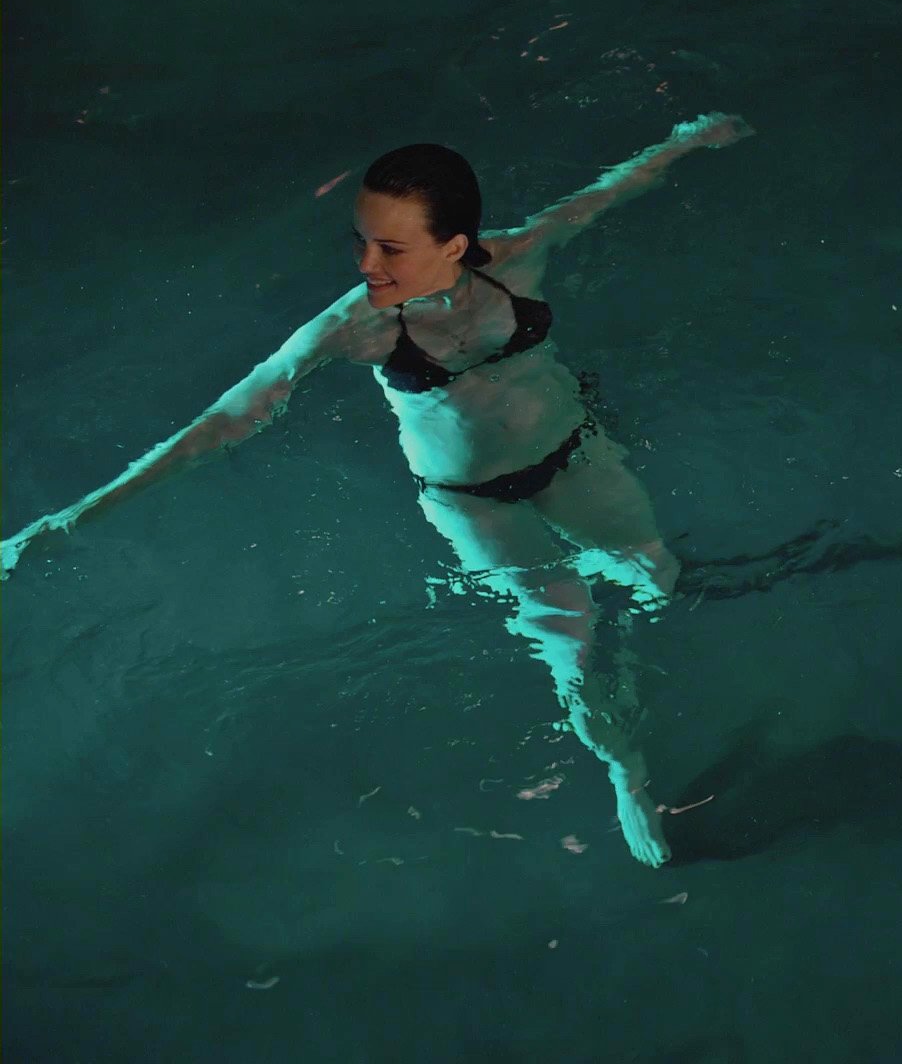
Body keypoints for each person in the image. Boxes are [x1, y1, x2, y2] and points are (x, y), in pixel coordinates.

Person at [1, 112, 756, 868]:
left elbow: (608, 192)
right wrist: (70, 519)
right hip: (475, 502)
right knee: (572, 639)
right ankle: (627, 774)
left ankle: (685, 687)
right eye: (360, 241)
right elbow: (226, 419)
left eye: (391, 247)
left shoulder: (519, 257)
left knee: (658, 580)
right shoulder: (355, 327)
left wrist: (691, 137)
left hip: (573, 457)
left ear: (454, 246)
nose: (367, 263)